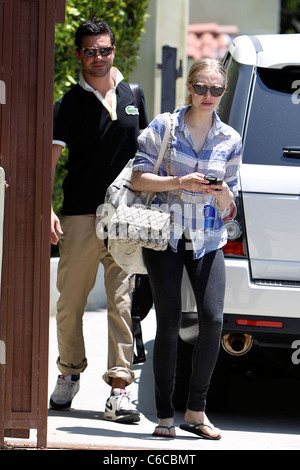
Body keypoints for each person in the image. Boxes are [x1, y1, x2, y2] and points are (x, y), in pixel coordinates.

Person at [131, 58, 242, 439]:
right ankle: (164, 416)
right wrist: (180, 181)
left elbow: (231, 203)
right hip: (166, 235)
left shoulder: (230, 138)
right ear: (189, 87)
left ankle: (196, 411)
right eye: (201, 87)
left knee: (213, 321)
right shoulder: (164, 126)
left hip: (208, 239)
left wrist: (223, 193)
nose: (208, 95)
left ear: (223, 93)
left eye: (216, 90)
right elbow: (138, 178)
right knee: (170, 322)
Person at [49, 19, 147, 423]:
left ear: (113, 52)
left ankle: (119, 389)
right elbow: (49, 163)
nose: (98, 57)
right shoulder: (68, 103)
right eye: (90, 50)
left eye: (104, 49)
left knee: (121, 303)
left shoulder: (133, 95)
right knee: (70, 303)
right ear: (78, 54)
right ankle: (70, 373)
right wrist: (45, 210)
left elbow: (146, 157)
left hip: (126, 217)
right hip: (79, 217)